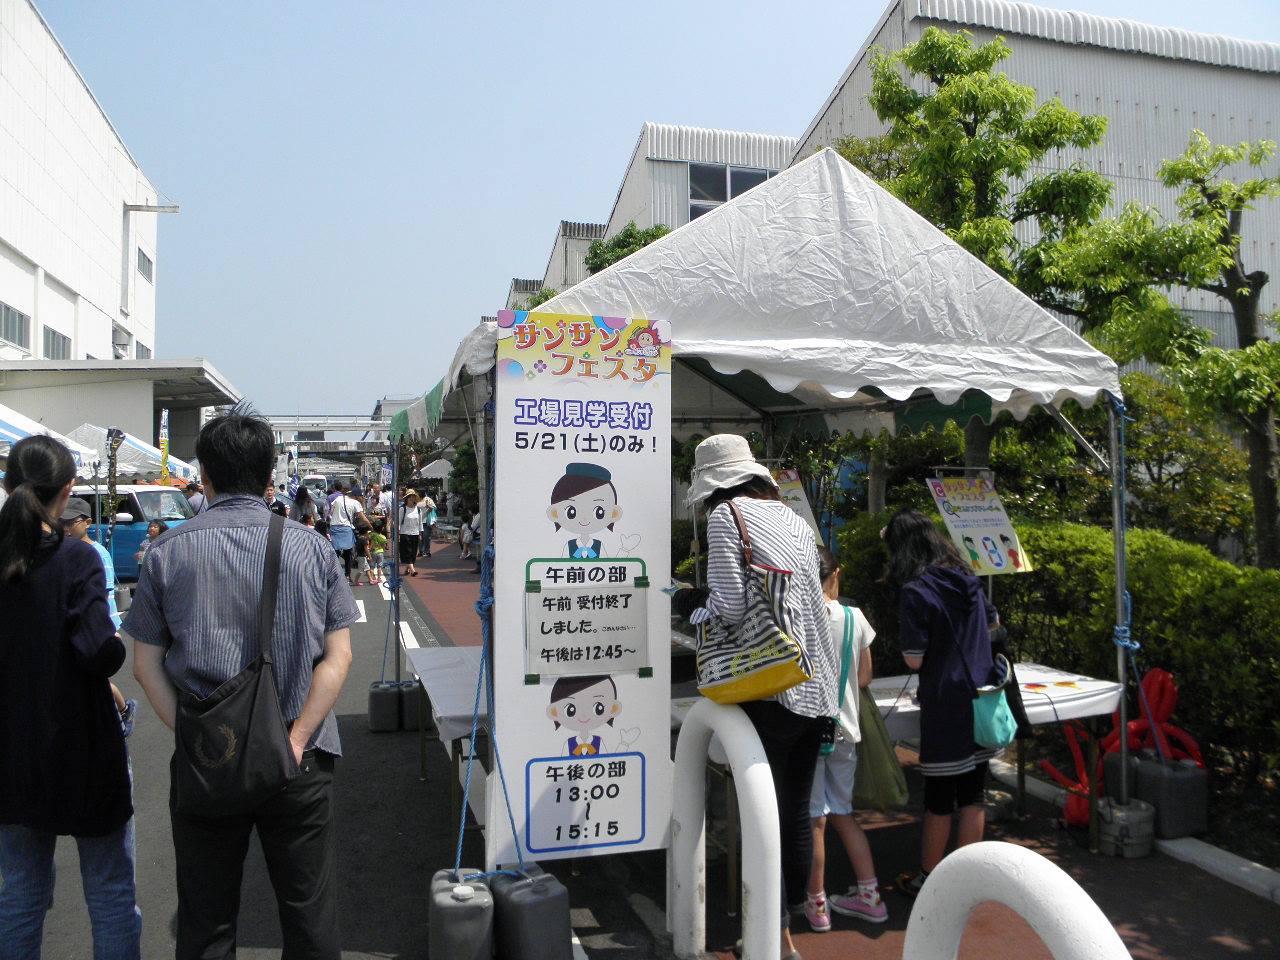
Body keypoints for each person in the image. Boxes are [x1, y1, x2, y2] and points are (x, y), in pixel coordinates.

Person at [127, 408, 357, 960]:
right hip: (299, 758)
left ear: (203, 475)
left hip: (208, 759)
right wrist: (296, 739)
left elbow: (144, 665)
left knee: (206, 921)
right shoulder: (311, 547)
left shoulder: (166, 552)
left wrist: (195, 736)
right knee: (308, 915)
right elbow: (339, 655)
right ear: (269, 474)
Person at [672, 435, 836, 960]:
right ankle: (785, 933)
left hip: (770, 687)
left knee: (759, 813)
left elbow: (732, 607)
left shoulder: (727, 517)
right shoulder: (792, 518)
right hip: (815, 684)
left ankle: (771, 937)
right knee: (793, 811)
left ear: (712, 484)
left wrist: (689, 604)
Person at [0, 435, 141, 960]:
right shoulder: (77, 558)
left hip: (11, 746)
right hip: (80, 741)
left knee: (21, 890)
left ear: (8, 486)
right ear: (68, 490)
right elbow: (98, 651)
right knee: (109, 888)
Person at [882, 509, 1000, 897]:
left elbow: (914, 659)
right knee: (973, 793)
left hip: (945, 703)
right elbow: (992, 626)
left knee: (939, 798)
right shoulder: (966, 576)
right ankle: (968, 880)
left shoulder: (916, 590)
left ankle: (930, 880)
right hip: (982, 695)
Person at [804, 547, 886, 932]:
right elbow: (864, 677)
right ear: (835, 574)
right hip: (845, 730)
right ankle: (870, 896)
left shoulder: (799, 616)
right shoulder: (855, 617)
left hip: (808, 729)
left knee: (814, 820)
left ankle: (817, 904)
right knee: (843, 813)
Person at [62, 496, 122, 630]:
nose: (65, 528)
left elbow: (103, 592)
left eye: (70, 523)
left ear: (87, 523)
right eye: (61, 522)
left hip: (101, 624)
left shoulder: (98, 552)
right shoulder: (64, 550)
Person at [328, 483, 367, 583]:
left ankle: (331, 573)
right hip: (346, 528)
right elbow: (362, 517)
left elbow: (331, 513)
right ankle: (347, 575)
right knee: (348, 553)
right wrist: (370, 526)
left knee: (335, 552)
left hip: (334, 527)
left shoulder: (337, 499)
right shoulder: (355, 502)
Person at [398, 489, 425, 576]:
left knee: (413, 553)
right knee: (407, 552)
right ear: (406, 498)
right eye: (409, 497)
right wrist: (398, 533)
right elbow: (398, 522)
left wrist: (420, 533)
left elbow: (420, 522)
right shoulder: (403, 509)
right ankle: (413, 571)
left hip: (415, 533)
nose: (411, 499)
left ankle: (407, 569)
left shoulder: (418, 510)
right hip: (405, 533)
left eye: (413, 497)